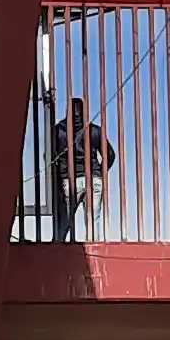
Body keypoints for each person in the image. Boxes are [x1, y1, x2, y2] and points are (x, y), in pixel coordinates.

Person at [50, 93, 117, 240]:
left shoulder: (58, 131)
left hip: (69, 180)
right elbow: (110, 155)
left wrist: (59, 172)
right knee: (93, 221)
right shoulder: (94, 130)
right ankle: (95, 256)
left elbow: (48, 156)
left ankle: (57, 249)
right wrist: (99, 171)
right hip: (93, 179)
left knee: (64, 222)